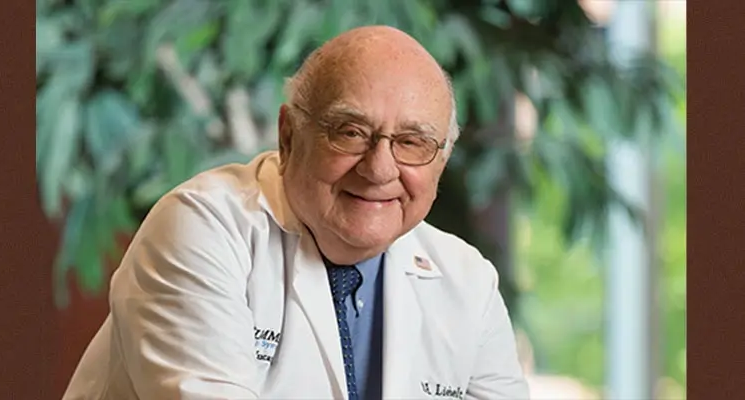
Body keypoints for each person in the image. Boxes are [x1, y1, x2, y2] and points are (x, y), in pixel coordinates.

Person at [62, 25, 529, 400]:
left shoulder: (468, 283)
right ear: (288, 136)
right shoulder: (201, 228)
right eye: (350, 132)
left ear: (441, 160)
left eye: (412, 143)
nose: (380, 168)